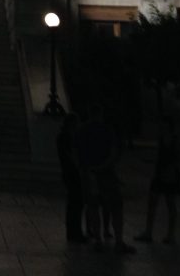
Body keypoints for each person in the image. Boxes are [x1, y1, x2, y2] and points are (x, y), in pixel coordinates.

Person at [76, 104, 135, 254]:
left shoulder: (82, 130)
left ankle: (98, 240)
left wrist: (87, 168)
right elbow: (113, 153)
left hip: (89, 173)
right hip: (105, 173)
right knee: (116, 207)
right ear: (100, 114)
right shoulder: (107, 130)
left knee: (93, 207)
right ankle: (118, 241)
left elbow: (77, 152)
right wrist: (104, 166)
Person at [135, 115, 180, 245]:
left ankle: (170, 235)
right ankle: (149, 232)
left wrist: (170, 170)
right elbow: (158, 156)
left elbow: (178, 158)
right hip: (160, 173)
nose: (161, 126)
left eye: (163, 124)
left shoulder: (174, 139)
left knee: (170, 203)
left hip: (170, 174)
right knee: (153, 202)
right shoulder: (161, 138)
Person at [57, 113, 86, 243]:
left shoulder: (63, 137)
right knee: (76, 203)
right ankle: (75, 232)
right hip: (72, 173)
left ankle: (73, 232)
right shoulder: (67, 137)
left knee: (74, 203)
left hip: (68, 172)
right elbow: (71, 155)